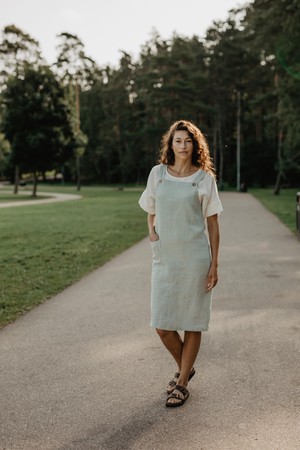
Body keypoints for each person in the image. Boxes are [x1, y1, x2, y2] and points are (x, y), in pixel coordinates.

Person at [138, 120, 223, 407]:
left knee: (192, 321)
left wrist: (214, 264)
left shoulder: (204, 179)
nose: (183, 145)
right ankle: (187, 367)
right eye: (178, 141)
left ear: (195, 145)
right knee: (162, 324)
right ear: (170, 145)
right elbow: (150, 209)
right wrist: (151, 230)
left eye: (188, 141)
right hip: (165, 258)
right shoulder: (158, 174)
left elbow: (213, 224)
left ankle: (182, 381)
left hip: (195, 258)